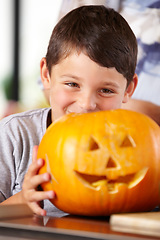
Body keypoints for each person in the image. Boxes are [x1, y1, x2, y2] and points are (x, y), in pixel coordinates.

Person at [0, 5, 138, 217]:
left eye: (105, 90)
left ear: (128, 89)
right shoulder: (15, 135)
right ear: (46, 75)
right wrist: (23, 200)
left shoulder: (138, 144)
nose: (86, 104)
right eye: (73, 84)